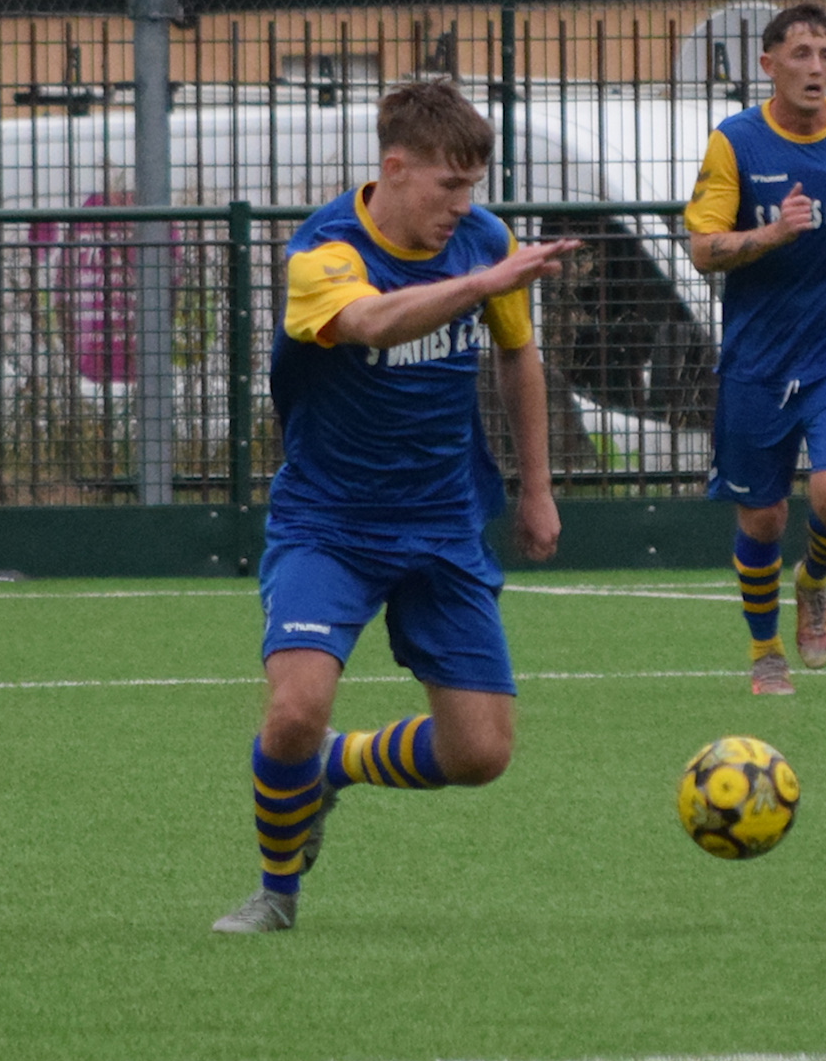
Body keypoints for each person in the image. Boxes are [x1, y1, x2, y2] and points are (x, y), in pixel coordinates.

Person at [212, 81, 578, 934]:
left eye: (473, 187)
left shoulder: (485, 241)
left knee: (479, 755)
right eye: (449, 186)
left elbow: (518, 359)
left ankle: (336, 767)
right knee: (295, 708)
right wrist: (487, 279)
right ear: (395, 168)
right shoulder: (325, 252)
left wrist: (536, 488)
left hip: (444, 520)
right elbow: (374, 323)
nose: (464, 205)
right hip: (329, 523)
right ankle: (277, 891)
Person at [684, 3, 826, 696]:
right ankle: (765, 652)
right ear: (769, 66)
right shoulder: (736, 143)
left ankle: (813, 582)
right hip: (757, 360)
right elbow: (702, 250)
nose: (817, 68)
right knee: (763, 516)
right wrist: (769, 237)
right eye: (802, 55)